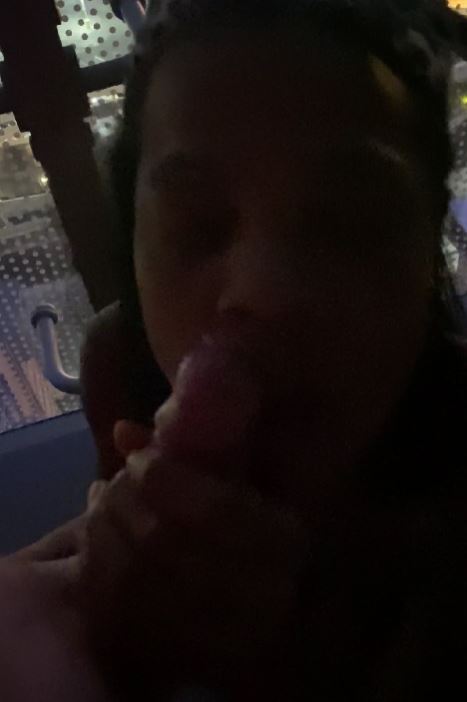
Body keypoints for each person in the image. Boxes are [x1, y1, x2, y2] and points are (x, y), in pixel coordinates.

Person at [7, 1, 467, 700]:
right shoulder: (121, 368)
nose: (265, 294)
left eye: (347, 226)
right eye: (197, 226)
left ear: (427, 251)